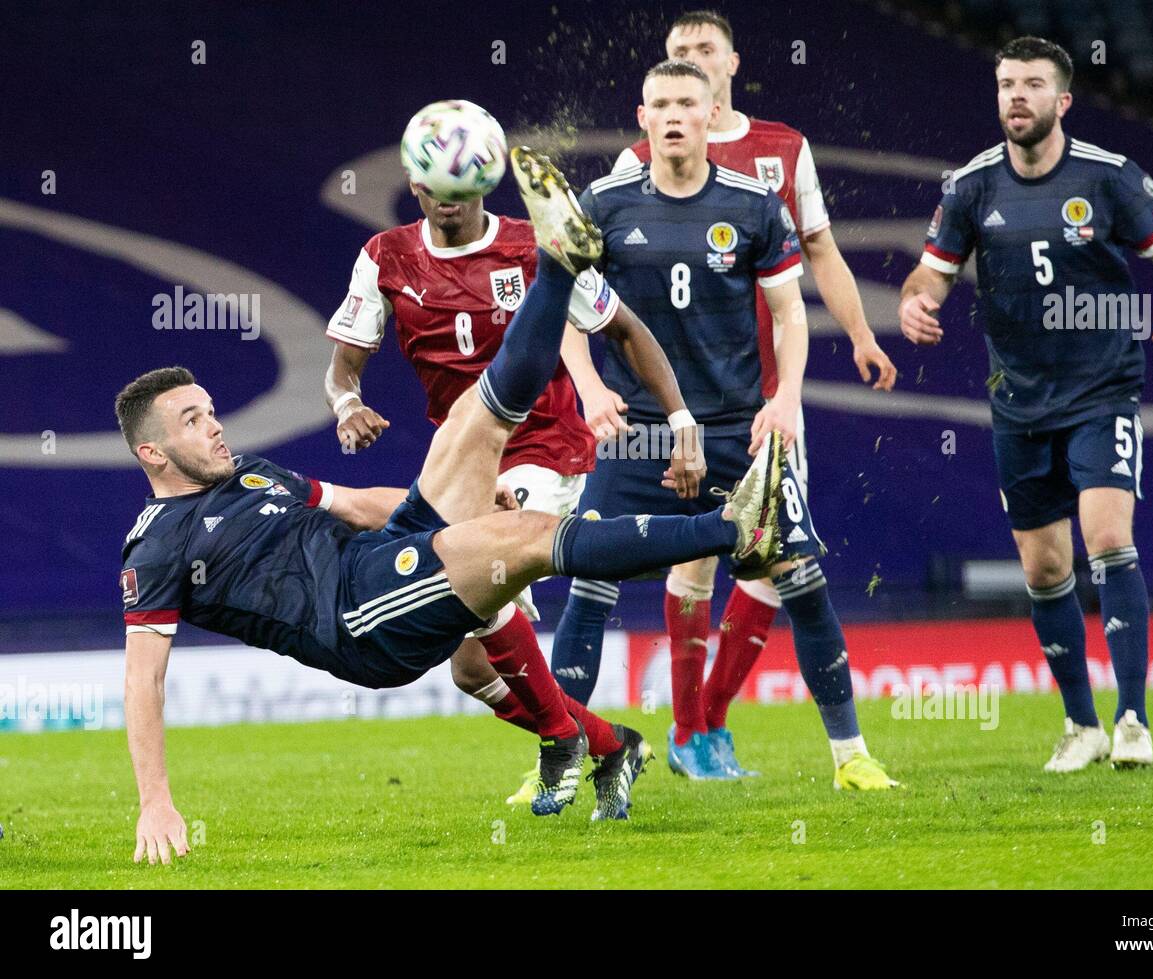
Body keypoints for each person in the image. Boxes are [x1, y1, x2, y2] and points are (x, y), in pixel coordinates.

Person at [121, 148, 796, 863]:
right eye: (193, 421)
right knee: (525, 539)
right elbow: (142, 678)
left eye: (210, 410)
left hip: (379, 553)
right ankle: (729, 530)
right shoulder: (157, 545)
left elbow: (355, 503)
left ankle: (599, 743)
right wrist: (155, 800)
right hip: (358, 620)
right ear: (153, 453)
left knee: (476, 417)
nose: (216, 425)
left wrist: (468, 495)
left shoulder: (248, 475)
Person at [321, 107, 706, 806]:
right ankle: (607, 743)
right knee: (469, 668)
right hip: (461, 462)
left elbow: (623, 328)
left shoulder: (535, 246)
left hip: (541, 448)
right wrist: (347, 404)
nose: (448, 201)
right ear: (413, 181)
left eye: (461, 189)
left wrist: (679, 419)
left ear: (486, 180)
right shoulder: (385, 258)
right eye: (435, 187)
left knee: (479, 588)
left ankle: (560, 742)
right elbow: (343, 368)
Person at [546, 59, 899, 790]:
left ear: (712, 114)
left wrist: (787, 396)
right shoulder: (603, 203)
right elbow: (565, 311)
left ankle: (851, 757)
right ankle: (558, 764)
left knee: (801, 578)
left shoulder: (755, 205)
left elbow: (790, 313)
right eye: (660, 105)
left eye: (687, 103)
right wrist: (588, 387)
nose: (673, 116)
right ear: (642, 119)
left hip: (737, 432)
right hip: (638, 432)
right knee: (588, 580)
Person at [897, 37, 1153, 772]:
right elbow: (931, 274)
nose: (1016, 96)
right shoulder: (970, 186)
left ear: (1062, 100)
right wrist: (915, 302)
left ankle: (1133, 718)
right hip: (1018, 401)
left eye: (1032, 84)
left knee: (1107, 536)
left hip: (1102, 388)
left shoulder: (1110, 176)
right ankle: (1081, 724)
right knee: (1042, 569)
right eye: (1007, 83)